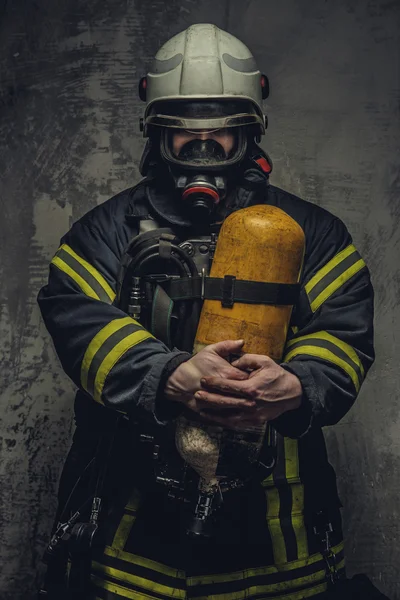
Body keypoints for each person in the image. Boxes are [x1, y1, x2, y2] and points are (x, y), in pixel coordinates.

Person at [37, 23, 374, 600]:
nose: (203, 150)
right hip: (132, 538)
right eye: (184, 136)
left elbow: (344, 331)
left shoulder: (312, 234)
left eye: (223, 135)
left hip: (279, 538)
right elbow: (78, 322)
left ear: (251, 135)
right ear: (156, 136)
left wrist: (295, 384)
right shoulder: (103, 233)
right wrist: (166, 376)